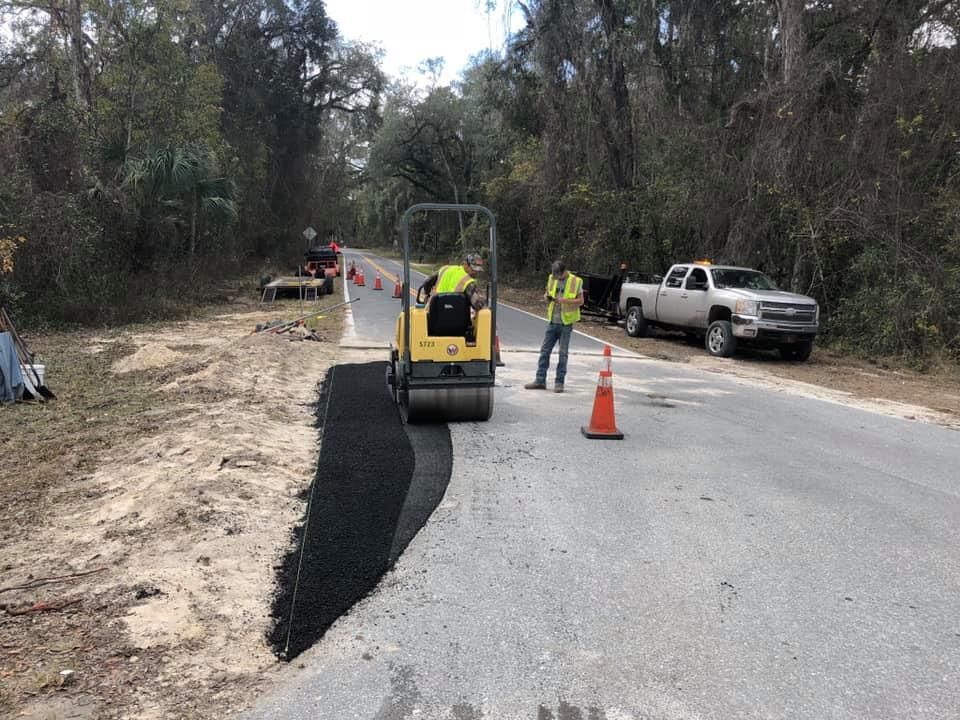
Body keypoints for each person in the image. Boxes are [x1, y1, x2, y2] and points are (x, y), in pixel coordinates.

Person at [524, 260, 584, 393]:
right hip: (552, 322)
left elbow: (581, 301)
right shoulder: (552, 278)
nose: (556, 278)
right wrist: (546, 297)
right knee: (544, 351)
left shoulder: (576, 281)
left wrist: (565, 301)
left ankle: (559, 383)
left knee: (563, 354)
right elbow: (547, 292)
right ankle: (540, 380)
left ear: (564, 272)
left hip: (565, 324)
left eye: (559, 276)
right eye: (555, 276)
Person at [419, 253, 486, 310]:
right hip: (457, 321)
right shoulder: (468, 282)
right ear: (465, 264)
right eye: (473, 269)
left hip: (433, 315)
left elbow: (427, 282)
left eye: (478, 271)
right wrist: (482, 299)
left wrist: (427, 295)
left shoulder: (445, 269)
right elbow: (478, 304)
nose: (476, 272)